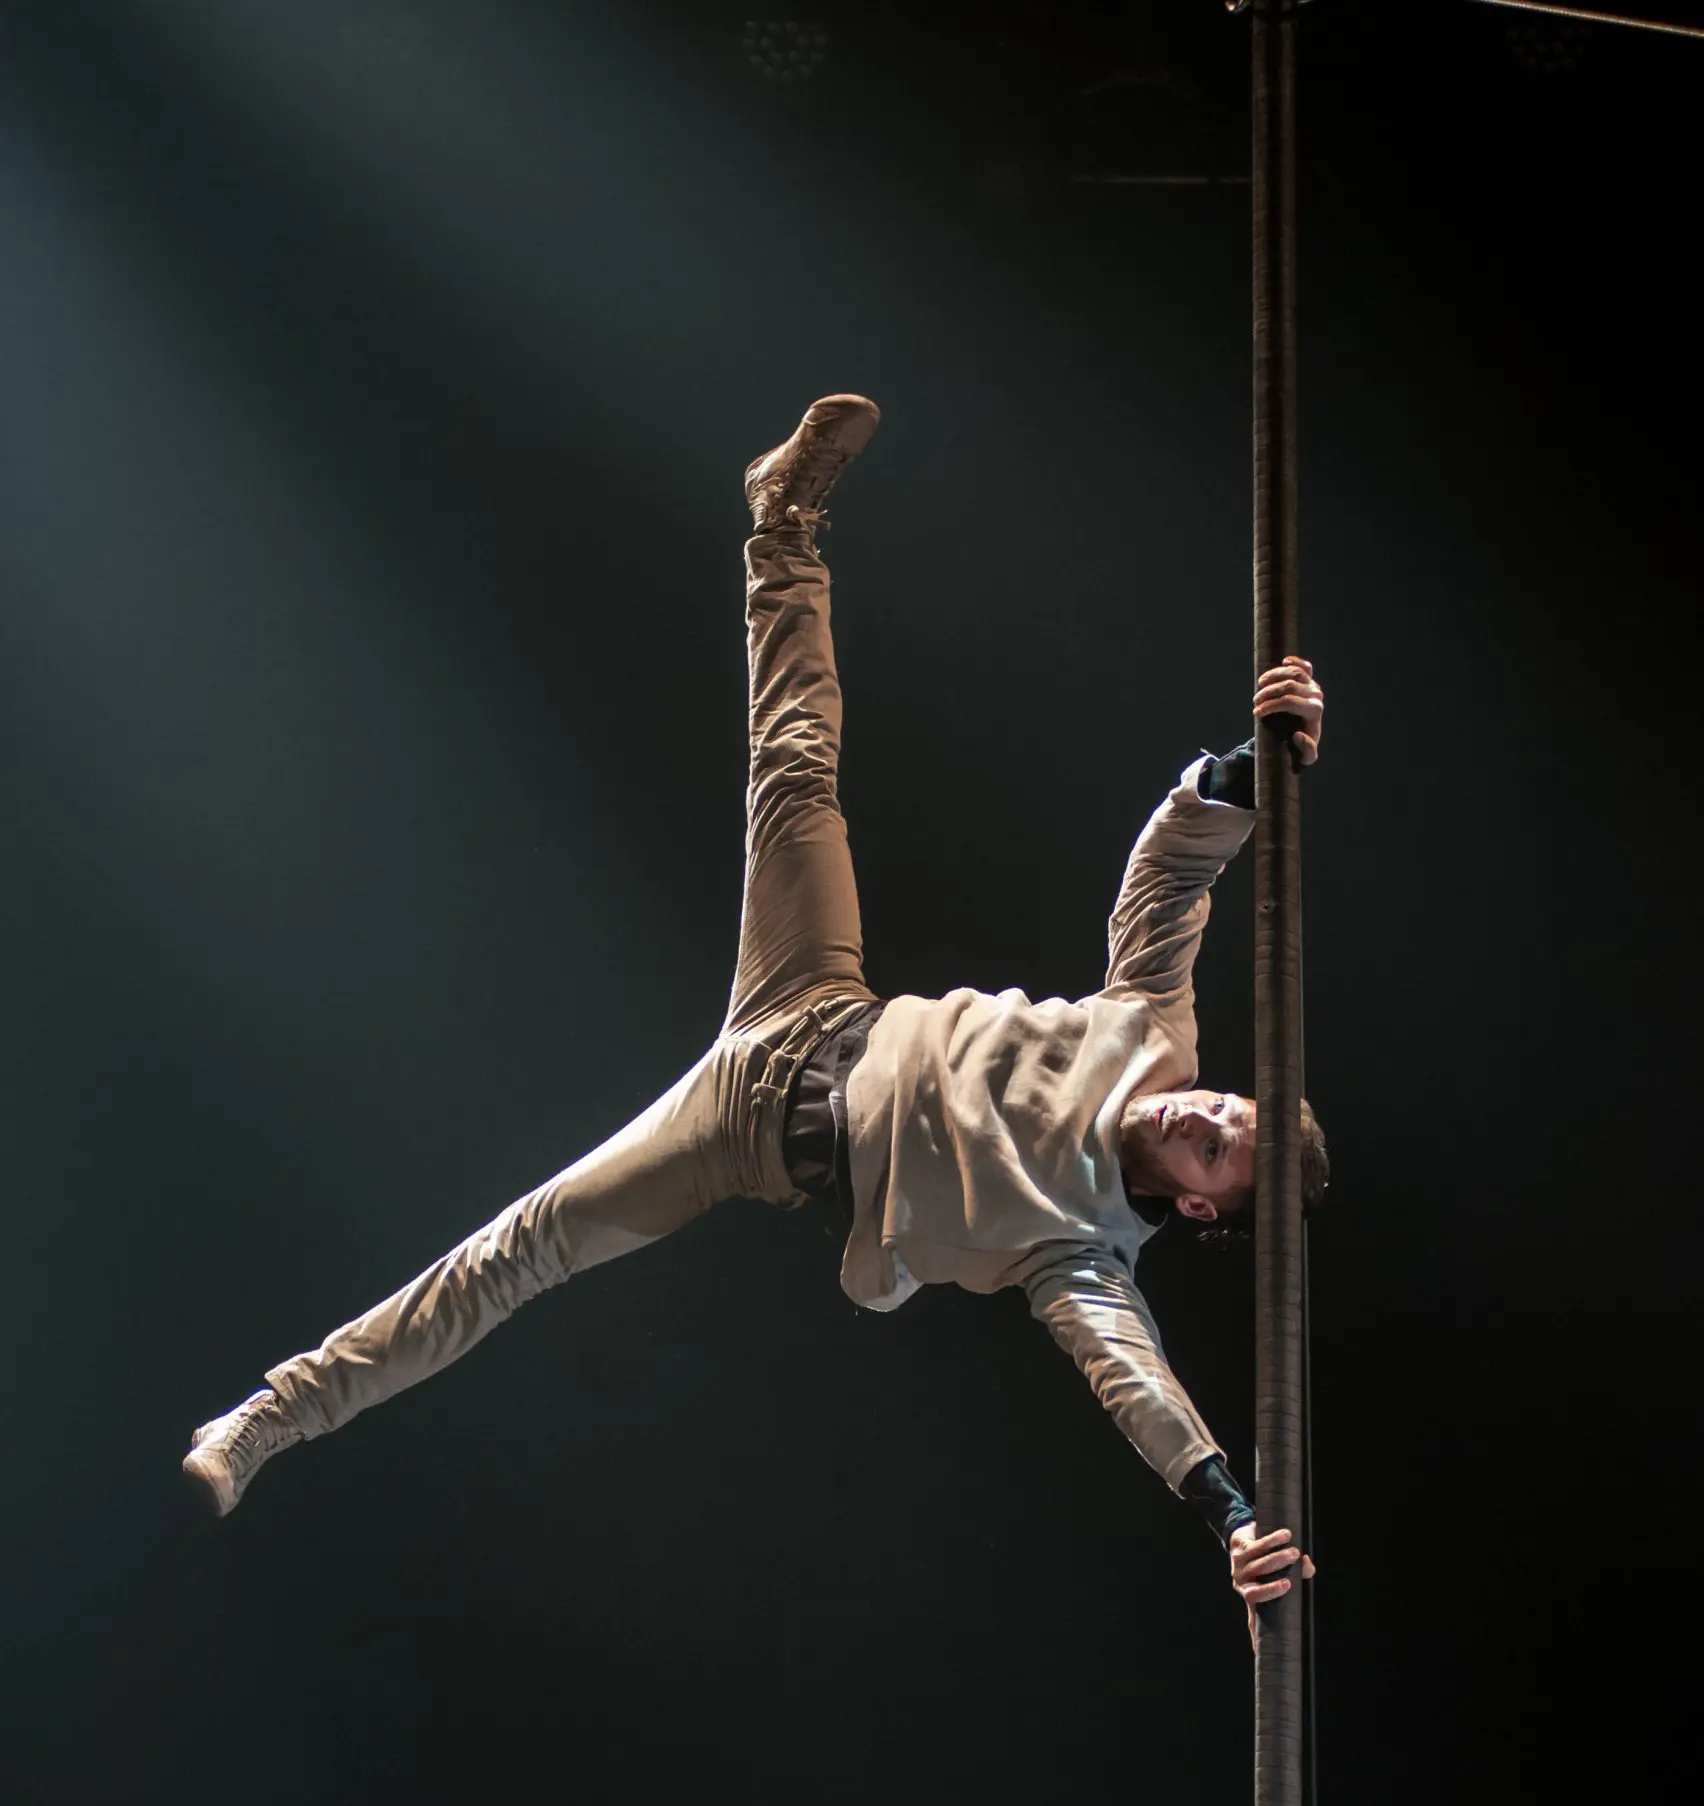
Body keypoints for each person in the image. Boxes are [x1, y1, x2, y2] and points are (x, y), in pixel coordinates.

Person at [184, 394, 1324, 1640]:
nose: (1202, 1108)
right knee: (793, 763)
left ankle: (268, 1417)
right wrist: (1251, 766)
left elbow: (1134, 1381)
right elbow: (1168, 879)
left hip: (743, 1134)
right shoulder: (1152, 1031)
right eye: (1230, 1102)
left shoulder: (1083, 1256)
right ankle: (782, 519)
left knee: (521, 1249)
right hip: (812, 994)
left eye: (1214, 1141)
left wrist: (1227, 1511)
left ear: (1200, 1202)